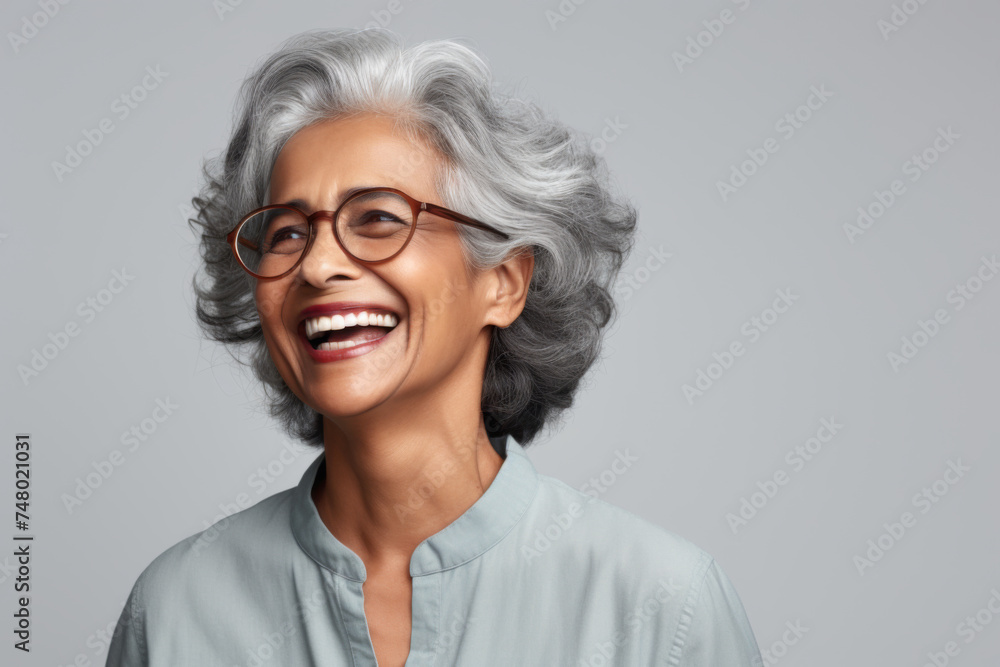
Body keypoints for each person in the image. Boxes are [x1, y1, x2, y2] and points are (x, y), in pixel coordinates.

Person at [106, 28, 763, 666]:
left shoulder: (662, 609)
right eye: (286, 232)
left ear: (503, 281)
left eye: (379, 219)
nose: (318, 265)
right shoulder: (174, 610)